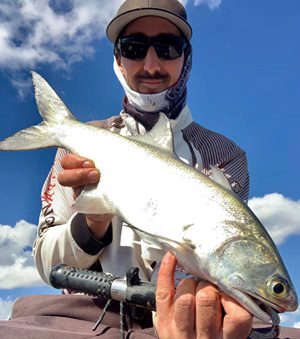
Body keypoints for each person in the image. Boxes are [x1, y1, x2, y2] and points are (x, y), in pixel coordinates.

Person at [0, 0, 298, 338]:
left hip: (186, 317)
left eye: (168, 47)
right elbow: (47, 265)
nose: (151, 64)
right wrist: (92, 220)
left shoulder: (226, 155)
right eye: (134, 48)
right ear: (118, 60)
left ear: (186, 58)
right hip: (88, 314)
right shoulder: (79, 144)